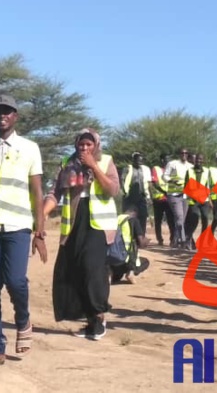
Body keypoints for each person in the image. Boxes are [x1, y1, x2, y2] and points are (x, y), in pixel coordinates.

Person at [0, 94, 46, 369]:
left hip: (18, 226)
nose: (3, 115)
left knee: (16, 281)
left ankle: (23, 319)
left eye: (8, 111)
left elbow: (36, 190)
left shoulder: (30, 148)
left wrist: (39, 231)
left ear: (16, 117)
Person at [44, 128, 119, 340]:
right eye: (81, 144)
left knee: (92, 268)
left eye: (89, 145)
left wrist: (93, 166)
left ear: (95, 146)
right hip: (74, 223)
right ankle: (89, 320)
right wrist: (41, 215)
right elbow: (55, 192)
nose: (84, 148)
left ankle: (99, 317)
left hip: (98, 225)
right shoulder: (67, 163)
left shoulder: (105, 161)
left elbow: (113, 190)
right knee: (74, 270)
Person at [163, 148, 193, 249]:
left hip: (185, 196)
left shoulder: (190, 166)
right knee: (180, 217)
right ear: (179, 154)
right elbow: (165, 176)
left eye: (186, 153)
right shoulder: (172, 164)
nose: (184, 154)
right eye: (182, 153)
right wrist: (172, 181)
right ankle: (183, 241)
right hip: (174, 194)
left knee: (181, 220)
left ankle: (175, 240)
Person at [109, 211, 150, 284]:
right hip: (126, 260)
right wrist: (146, 241)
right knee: (145, 261)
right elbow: (141, 243)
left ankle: (110, 273)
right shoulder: (133, 220)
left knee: (117, 278)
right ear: (134, 212)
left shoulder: (115, 219)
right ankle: (130, 272)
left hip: (111, 259)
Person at [184, 153, 212, 250]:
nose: (198, 161)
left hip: (204, 199)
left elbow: (209, 185)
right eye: (197, 160)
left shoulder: (207, 171)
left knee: (205, 219)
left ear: (203, 161)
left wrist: (210, 200)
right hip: (193, 200)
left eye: (200, 160)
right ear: (194, 161)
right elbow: (186, 185)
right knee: (194, 220)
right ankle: (188, 240)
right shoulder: (189, 171)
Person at [121, 152, 151, 235]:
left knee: (143, 216)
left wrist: (148, 196)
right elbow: (122, 180)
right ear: (133, 160)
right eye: (138, 161)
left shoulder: (142, 169)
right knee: (130, 217)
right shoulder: (128, 168)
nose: (139, 163)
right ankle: (130, 236)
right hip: (130, 196)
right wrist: (125, 192)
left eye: (141, 161)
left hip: (141, 196)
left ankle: (141, 236)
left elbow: (144, 183)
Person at [151, 154, 173, 246]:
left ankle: (173, 239)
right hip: (159, 199)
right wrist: (164, 192)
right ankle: (160, 239)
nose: (167, 162)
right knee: (158, 220)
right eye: (166, 160)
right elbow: (155, 183)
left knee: (171, 220)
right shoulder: (156, 169)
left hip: (169, 199)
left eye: (169, 160)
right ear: (162, 160)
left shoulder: (172, 171)